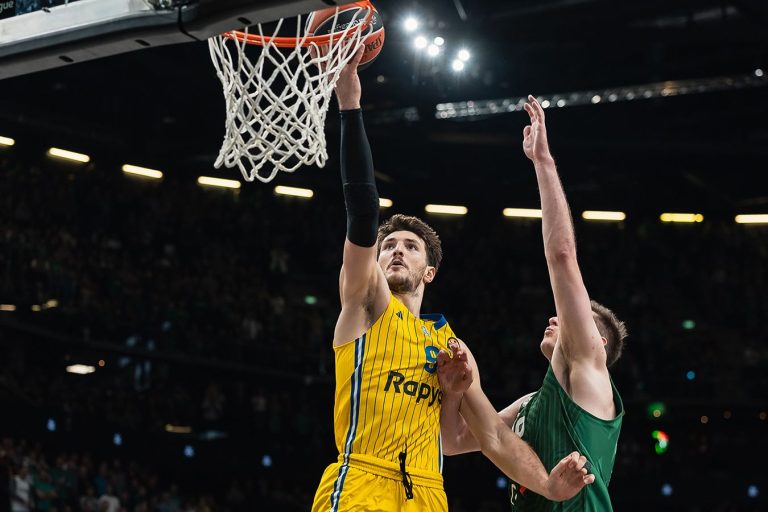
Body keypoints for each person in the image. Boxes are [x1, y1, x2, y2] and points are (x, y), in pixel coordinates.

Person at [310, 49, 595, 512]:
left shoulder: (451, 346)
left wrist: (547, 485)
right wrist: (350, 103)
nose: (395, 250)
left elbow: (493, 436)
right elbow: (362, 211)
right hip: (363, 478)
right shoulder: (364, 303)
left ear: (430, 271)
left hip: (428, 492)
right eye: (388, 245)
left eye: (410, 246)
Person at [438, 95, 627, 511]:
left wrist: (543, 162)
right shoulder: (530, 404)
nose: (557, 317)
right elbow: (452, 441)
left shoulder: (589, 371)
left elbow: (562, 256)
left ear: (596, 342)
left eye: (575, 318)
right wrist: (453, 393)